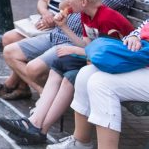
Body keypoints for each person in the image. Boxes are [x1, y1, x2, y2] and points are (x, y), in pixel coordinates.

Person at [0, 0, 133, 145]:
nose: (67, 1)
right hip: (100, 60)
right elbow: (87, 44)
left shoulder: (107, 18)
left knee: (71, 75)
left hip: (121, 65)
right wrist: (64, 27)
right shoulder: (86, 15)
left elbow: (110, 53)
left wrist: (75, 50)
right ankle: (35, 124)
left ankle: (37, 127)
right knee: (59, 63)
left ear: (83, 1)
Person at [22, 0, 134, 94]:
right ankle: (34, 94)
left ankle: (51, 99)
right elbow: (64, 4)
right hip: (63, 33)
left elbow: (85, 6)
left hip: (79, 41)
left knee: (34, 69)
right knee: (12, 49)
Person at [49, 16, 149, 149]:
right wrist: (134, 37)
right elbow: (142, 27)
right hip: (143, 64)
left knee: (101, 83)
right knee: (86, 73)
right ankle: (80, 142)